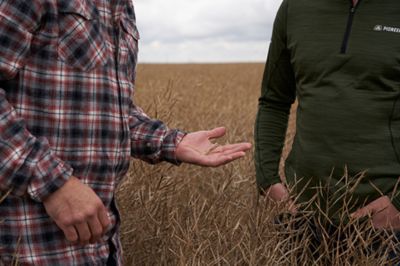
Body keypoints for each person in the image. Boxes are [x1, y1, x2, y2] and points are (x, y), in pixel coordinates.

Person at [0, 0, 251, 265]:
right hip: (29, 244)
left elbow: (109, 109)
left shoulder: (122, 8)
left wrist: (172, 142)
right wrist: (53, 183)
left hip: (101, 246)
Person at [255, 0, 400, 256]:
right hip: (302, 217)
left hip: (387, 225)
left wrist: (399, 204)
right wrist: (268, 181)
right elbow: (273, 102)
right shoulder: (294, 8)